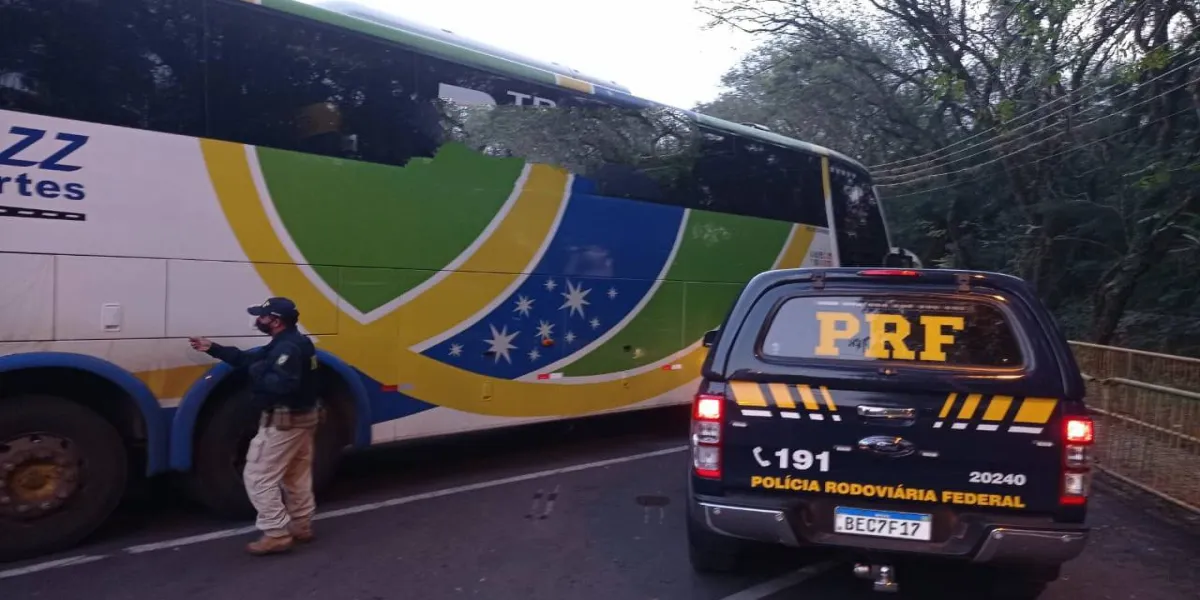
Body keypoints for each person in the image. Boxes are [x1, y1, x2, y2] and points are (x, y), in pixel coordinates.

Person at [188, 297, 320, 555]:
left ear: (276, 321)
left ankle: (276, 533)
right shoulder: (293, 341)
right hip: (304, 419)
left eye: (262, 316)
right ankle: (301, 525)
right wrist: (213, 348)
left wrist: (258, 373)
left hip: (286, 422)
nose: (258, 320)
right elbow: (248, 359)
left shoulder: (287, 349)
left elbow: (281, 383)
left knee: (258, 476)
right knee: (296, 474)